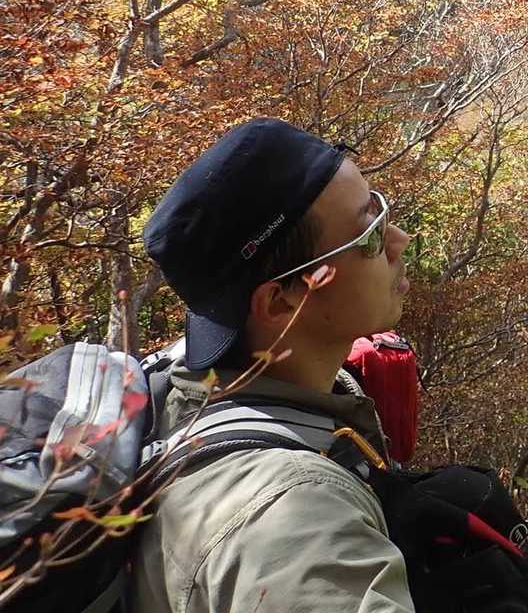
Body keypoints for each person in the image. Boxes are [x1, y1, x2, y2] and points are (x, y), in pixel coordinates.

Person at [130, 117, 417, 613]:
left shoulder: (178, 388)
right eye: (369, 234)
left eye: (380, 208)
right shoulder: (297, 521)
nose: (399, 240)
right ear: (281, 301)